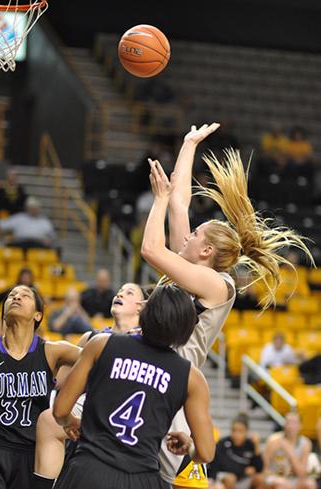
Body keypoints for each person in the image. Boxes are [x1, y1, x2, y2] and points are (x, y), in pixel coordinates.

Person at [140, 123, 313, 489]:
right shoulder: (188, 269)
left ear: (206, 252)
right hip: (152, 374)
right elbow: (179, 202)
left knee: (168, 482)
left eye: (196, 234)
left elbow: (151, 249)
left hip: (173, 386)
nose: (187, 235)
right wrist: (189, 144)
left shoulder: (219, 284)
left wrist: (157, 202)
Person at [52, 285, 215, 489]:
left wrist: (70, 421)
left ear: (147, 312)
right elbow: (206, 453)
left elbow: (59, 410)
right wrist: (189, 446)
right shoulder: (192, 377)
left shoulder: (102, 344)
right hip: (142, 478)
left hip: (90, 468)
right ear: (186, 327)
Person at [33, 282, 146, 488]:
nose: (120, 293)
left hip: (132, 410)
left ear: (142, 306)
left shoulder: (149, 339)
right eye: (119, 290)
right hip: (91, 404)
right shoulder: (91, 337)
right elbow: (62, 382)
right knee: (48, 421)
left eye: (129, 292)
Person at [0, 284, 81, 489]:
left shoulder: (52, 351)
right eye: (11, 296)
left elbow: (100, 358)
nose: (16, 297)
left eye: (24, 295)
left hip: (34, 452)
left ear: (37, 315)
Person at [207, 413, 263, 489]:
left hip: (243, 479)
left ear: (246, 431)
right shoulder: (223, 443)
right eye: (234, 430)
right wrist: (243, 470)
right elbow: (224, 465)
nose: (236, 434)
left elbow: (259, 469)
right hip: (223, 477)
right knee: (231, 478)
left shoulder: (251, 445)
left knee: (259, 479)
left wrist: (257, 446)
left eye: (240, 431)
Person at [263, 412, 316, 489]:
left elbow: (301, 473)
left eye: (294, 423)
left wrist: (290, 451)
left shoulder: (306, 443)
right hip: (275, 477)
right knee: (282, 485)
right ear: (284, 425)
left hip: (294, 478)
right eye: (288, 422)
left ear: (300, 426)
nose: (291, 426)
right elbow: (264, 468)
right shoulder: (273, 440)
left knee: (310, 484)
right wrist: (277, 478)